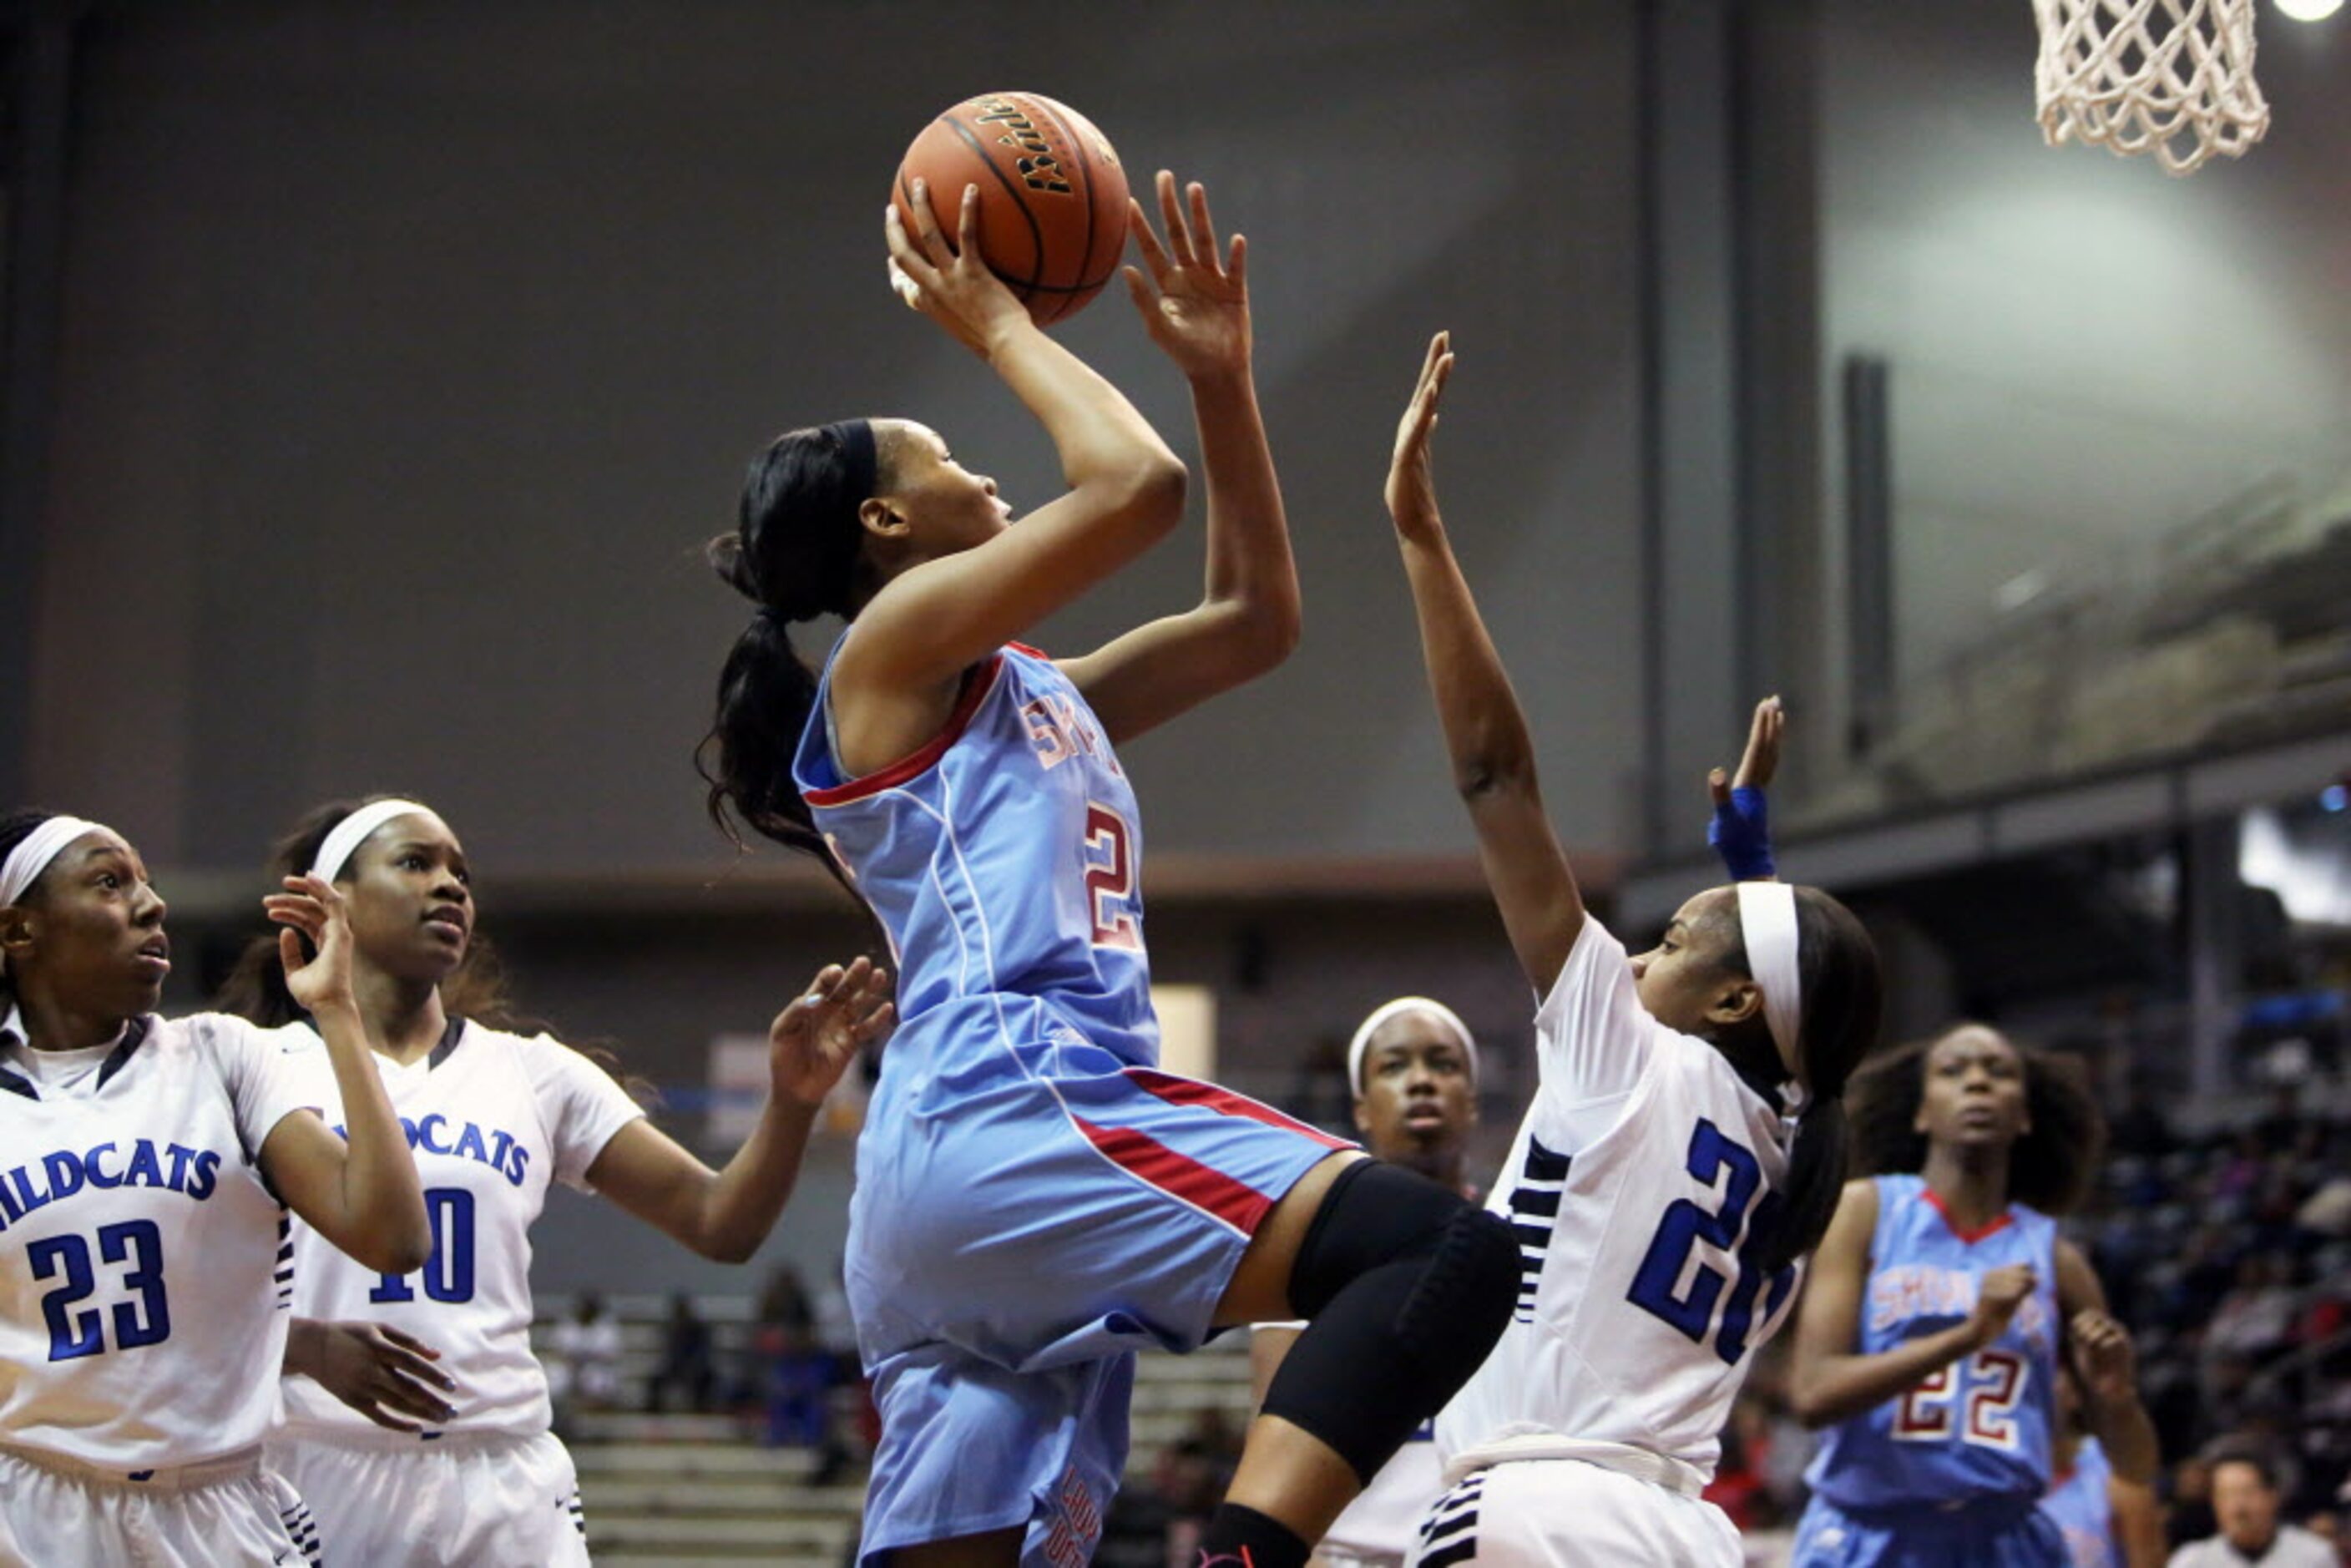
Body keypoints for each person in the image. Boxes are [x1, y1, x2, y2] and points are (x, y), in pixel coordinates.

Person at [698, 176, 1519, 1568]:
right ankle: (1251, 1555)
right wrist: (994, 324)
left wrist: (1220, 378)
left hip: (960, 1177)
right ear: (885, 532)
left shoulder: (1023, 686)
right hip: (1026, 1102)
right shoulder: (886, 649)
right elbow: (1133, 488)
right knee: (1444, 1250)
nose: (980, 469)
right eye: (944, 458)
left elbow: (1254, 621)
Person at [1377, 335, 1885, 1568]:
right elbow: (1763, 1015)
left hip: (1532, 1507)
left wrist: (1422, 536)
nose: (1638, 955)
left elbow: (1495, 774)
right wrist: (1751, 883)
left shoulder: (1623, 1051)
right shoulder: (1792, 1163)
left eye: (1668, 940)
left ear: (1724, 1000)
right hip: (1679, 1528)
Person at [216, 795, 893, 1568]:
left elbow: (720, 1222)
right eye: (415, 863)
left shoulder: (531, 1072)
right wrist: (300, 1347)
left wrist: (792, 1102)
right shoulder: (251, 1068)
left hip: (500, 1474)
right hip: (316, 1463)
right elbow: (181, 1296)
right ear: (328, 901)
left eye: (460, 873)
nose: (451, 887)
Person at [0, 810, 429, 1566]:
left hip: (219, 1507)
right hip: (32, 1511)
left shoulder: (220, 1057)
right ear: (20, 931)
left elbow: (393, 1238)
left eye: (148, 882)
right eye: (110, 881)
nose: (151, 902)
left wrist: (336, 1010)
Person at [1787, 1022, 2161, 1567]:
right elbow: (1812, 1394)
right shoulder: (1865, 1211)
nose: (1978, 1083)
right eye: (1953, 1071)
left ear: (2025, 1115)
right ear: (1922, 1112)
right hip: (1870, 1534)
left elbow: (2136, 1466)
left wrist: (2118, 1399)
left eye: (1999, 1072)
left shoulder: (2055, 1254)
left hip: (2006, 1539)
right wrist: (1968, 1335)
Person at [1251, 998, 1483, 1568]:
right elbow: (1273, 1457)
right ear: (1361, 1110)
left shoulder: (1523, 1242)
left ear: (1472, 1103)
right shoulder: (1305, 1253)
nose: (1421, 1082)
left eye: (1443, 1065)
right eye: (1394, 1067)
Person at [2040, 1362, 2165, 1567]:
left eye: (2049, 1372)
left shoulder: (2116, 1472)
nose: (2038, 1385)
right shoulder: (1988, 1477)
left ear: (2074, 1393)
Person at [2166, 1446, 2334, 1568]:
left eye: (2247, 1492)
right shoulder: (2192, 1561)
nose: (2238, 1508)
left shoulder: (2314, 1556)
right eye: (2226, 1495)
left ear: (2273, 1496)